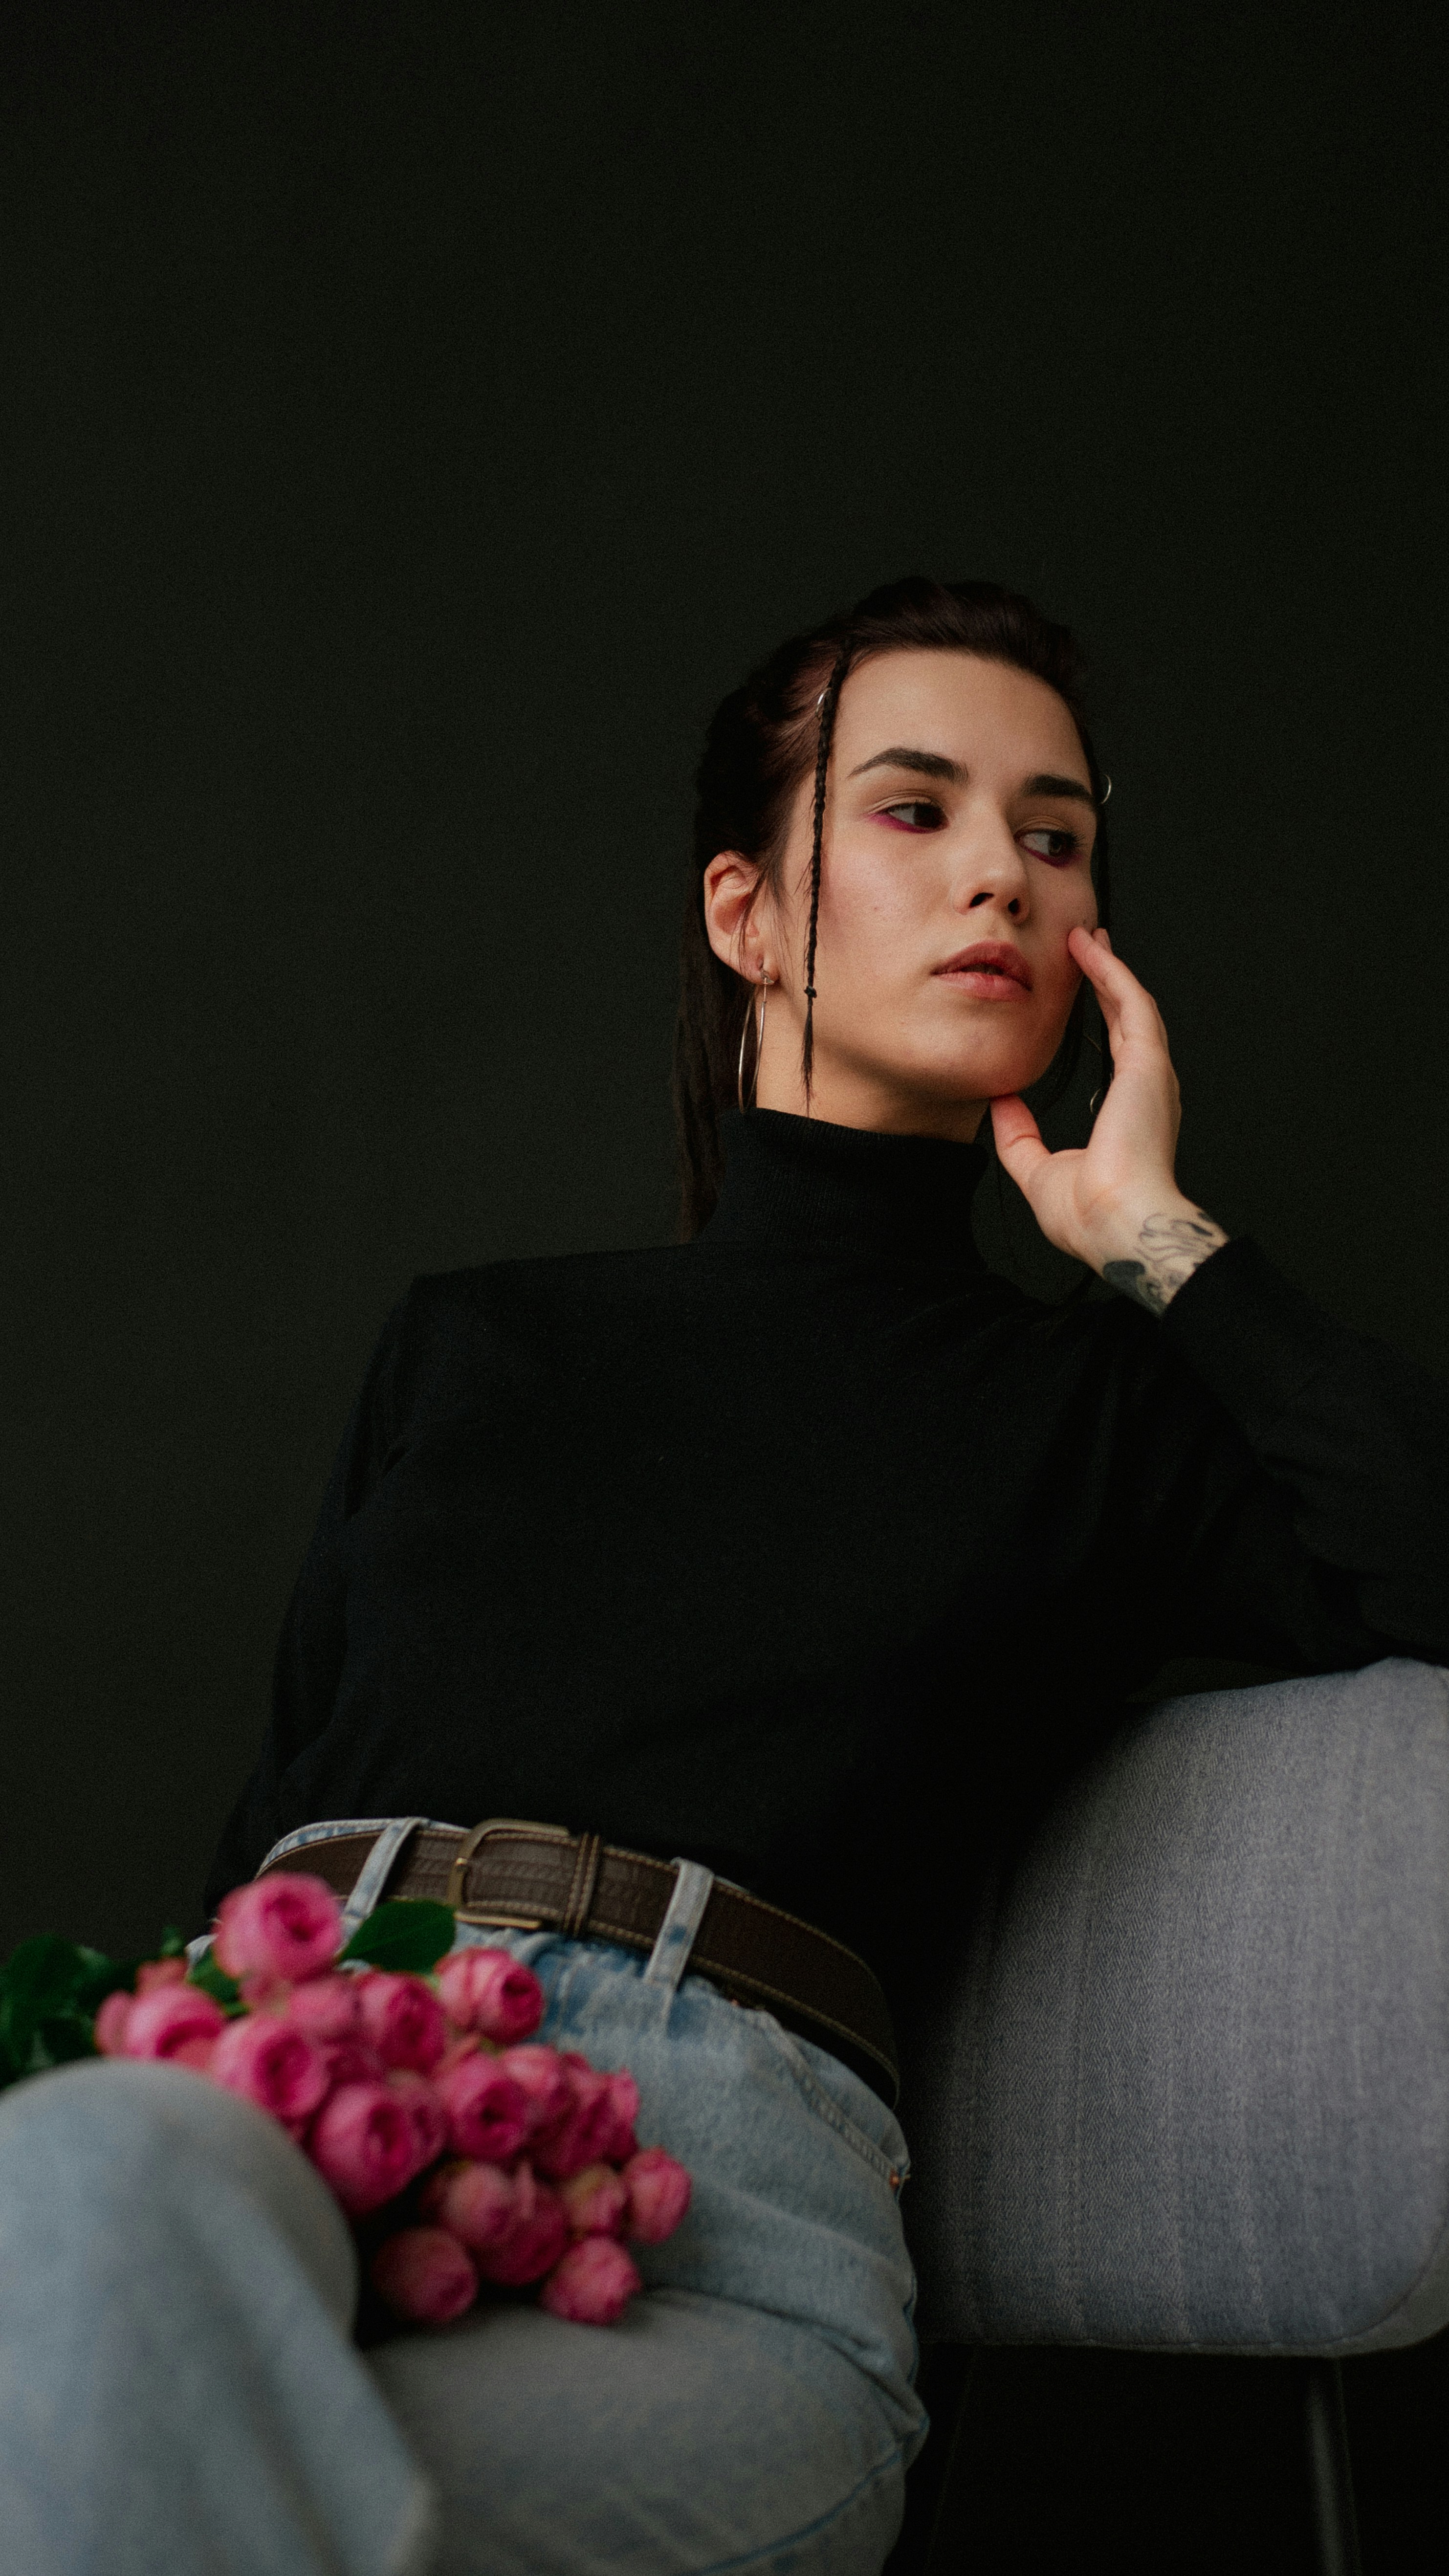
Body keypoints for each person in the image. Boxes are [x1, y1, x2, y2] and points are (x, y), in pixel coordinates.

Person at [2, 576, 1446, 2576]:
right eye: (917, 810)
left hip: (707, 2234)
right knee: (66, 2197)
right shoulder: (472, 1347)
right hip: (296, 2096)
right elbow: (268, 1834)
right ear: (745, 914)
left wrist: (1153, 1232)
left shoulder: (1090, 1411)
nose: (1004, 883)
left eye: (1057, 839)